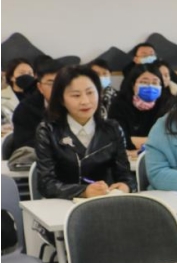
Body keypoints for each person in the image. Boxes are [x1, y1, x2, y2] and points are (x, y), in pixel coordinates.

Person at [34, 66, 136, 198]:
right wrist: (83, 191)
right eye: (76, 95)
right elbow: (46, 184)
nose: (85, 101)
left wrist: (125, 186)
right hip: (62, 204)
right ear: (61, 99)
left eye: (90, 93)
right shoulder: (48, 131)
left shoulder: (112, 129)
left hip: (104, 201)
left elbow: (126, 176)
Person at [106, 64, 172, 150]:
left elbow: (170, 140)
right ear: (133, 85)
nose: (150, 87)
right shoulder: (119, 105)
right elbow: (120, 140)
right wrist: (156, 143)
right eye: (144, 82)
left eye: (155, 83)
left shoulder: (168, 105)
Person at [9, 63, 59, 153]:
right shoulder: (25, 109)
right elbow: (25, 146)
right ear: (40, 87)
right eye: (51, 83)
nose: (57, 88)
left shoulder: (76, 104)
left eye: (61, 83)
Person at [2, 58, 35, 122]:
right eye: (22, 73)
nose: (26, 76)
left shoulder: (40, 95)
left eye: (30, 73)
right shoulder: (2, 96)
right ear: (11, 77)